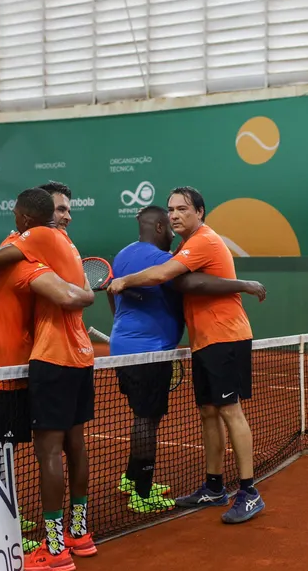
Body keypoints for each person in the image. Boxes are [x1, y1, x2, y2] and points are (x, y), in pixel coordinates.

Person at [107, 186, 264, 525]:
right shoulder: (184, 247)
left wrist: (124, 281)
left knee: (230, 411)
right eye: (171, 209)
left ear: (200, 212)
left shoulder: (204, 241)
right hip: (203, 342)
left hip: (226, 337)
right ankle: (213, 486)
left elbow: (167, 277)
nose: (175, 214)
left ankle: (249, 492)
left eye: (182, 209)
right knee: (208, 412)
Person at [0, 188, 96, 571]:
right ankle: (78, 534)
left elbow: (60, 293)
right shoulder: (68, 247)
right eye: (61, 210)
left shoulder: (35, 244)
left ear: (25, 218)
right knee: (75, 444)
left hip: (52, 357)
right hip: (81, 356)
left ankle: (55, 548)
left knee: (48, 452)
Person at [0, 188, 52, 549]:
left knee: (10, 444)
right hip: (0, 363)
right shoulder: (23, 243)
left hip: (20, 362)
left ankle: (6, 514)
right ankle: (1, 523)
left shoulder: (24, 242)